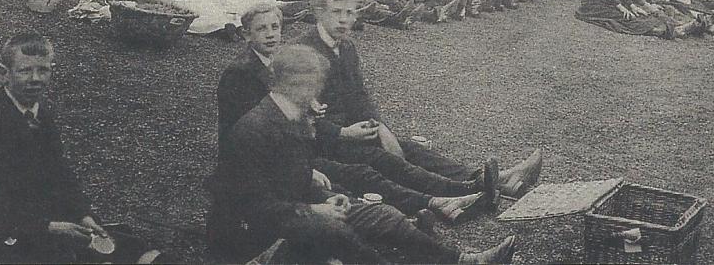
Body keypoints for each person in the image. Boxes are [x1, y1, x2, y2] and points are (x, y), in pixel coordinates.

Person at [209, 44, 517, 264]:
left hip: (294, 205)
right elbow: (252, 204)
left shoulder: (292, 115)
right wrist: (315, 209)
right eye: (314, 87)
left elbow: (288, 176)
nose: (317, 95)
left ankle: (464, 261)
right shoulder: (255, 129)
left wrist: (321, 192)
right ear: (295, 85)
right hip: (254, 230)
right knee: (334, 229)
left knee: (382, 214)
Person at [214, 5, 490, 224]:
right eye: (261, 29)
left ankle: (461, 188)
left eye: (275, 27)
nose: (271, 34)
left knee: (396, 149)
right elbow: (248, 133)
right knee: (363, 172)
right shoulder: (241, 74)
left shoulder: (283, 59)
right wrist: (318, 149)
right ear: (247, 34)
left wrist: (312, 108)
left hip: (300, 146)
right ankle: (436, 202)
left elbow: (344, 97)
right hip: (272, 162)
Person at [292, 0, 543, 198]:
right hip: (321, 142)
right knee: (384, 159)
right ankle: (469, 190)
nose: (344, 19)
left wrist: (380, 127)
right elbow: (297, 116)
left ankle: (483, 178)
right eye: (336, 12)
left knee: (409, 149)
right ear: (319, 13)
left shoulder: (346, 46)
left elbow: (359, 95)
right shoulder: (302, 52)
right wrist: (343, 133)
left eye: (349, 12)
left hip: (352, 130)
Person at [0, 33, 162, 263]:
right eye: (25, 71)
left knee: (141, 252)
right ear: (3, 73)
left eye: (43, 70)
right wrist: (49, 227)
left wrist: (84, 215)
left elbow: (61, 175)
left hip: (51, 220)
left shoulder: (42, 116)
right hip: (10, 231)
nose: (35, 78)